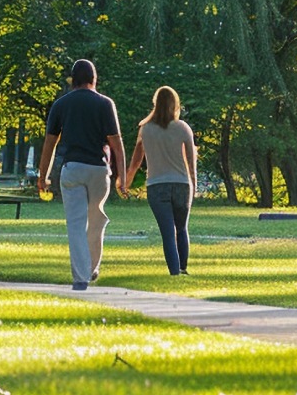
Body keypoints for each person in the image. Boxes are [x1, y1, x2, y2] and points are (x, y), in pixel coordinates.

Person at [37, 60, 126, 291]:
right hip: (98, 169)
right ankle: (92, 267)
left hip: (72, 168)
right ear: (94, 79)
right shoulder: (105, 103)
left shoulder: (61, 104)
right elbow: (116, 144)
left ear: (72, 79)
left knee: (76, 224)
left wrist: (42, 176)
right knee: (96, 219)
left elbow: (50, 144)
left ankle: (81, 277)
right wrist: (122, 177)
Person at [122, 86, 197, 276]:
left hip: (156, 185)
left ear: (155, 104)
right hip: (181, 184)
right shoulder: (183, 128)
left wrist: (126, 181)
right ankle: (183, 268)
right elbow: (191, 160)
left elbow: (136, 161)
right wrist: (193, 184)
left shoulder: (146, 130)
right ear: (175, 105)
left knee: (167, 232)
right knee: (181, 229)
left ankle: (174, 271)